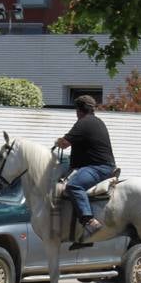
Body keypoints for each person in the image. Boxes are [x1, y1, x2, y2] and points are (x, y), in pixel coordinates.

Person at [56, 94, 116, 237]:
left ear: (79, 110)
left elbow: (64, 143)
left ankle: (89, 221)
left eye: (76, 110)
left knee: (73, 186)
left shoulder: (83, 123)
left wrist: (57, 142)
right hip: (101, 166)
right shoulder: (97, 121)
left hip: (98, 168)